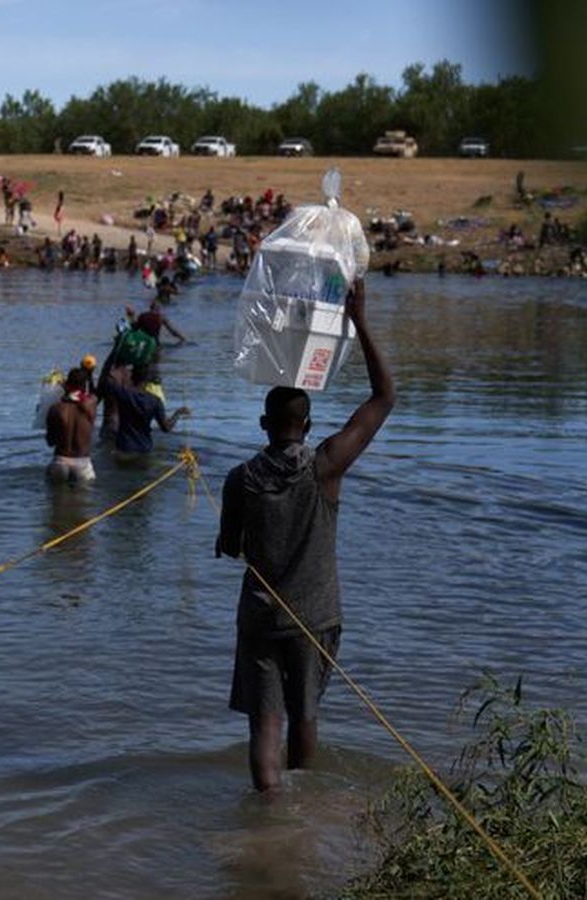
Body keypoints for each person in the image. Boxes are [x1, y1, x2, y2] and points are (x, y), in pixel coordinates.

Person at [215, 278, 394, 795]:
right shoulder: (326, 466)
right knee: (305, 714)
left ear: (263, 424)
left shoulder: (240, 478)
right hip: (314, 616)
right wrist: (359, 320)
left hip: (260, 617)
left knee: (264, 723)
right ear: (309, 425)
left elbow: (231, 546)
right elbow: (385, 397)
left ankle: (269, 809)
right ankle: (300, 812)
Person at [96, 362, 188, 455]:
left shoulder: (123, 394)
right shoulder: (155, 401)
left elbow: (107, 380)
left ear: (132, 377)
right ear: (148, 380)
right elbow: (166, 428)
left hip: (124, 448)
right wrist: (177, 413)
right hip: (144, 449)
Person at [45, 368, 98, 484]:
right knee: (83, 495)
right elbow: (92, 394)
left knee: (57, 495)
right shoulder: (91, 405)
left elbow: (50, 442)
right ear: (84, 386)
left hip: (60, 462)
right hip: (82, 463)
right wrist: (89, 373)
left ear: (67, 385)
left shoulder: (55, 408)